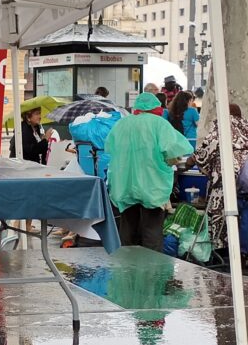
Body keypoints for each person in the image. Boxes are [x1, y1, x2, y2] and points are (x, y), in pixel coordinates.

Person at [104, 92, 193, 251]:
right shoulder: (159, 124)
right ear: (156, 107)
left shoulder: (122, 124)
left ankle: (127, 269)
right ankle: (152, 272)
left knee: (127, 231)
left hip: (125, 185)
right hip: (152, 185)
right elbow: (174, 152)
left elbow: (110, 149)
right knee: (152, 231)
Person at [191, 104, 248, 251]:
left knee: (221, 216)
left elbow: (204, 153)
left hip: (226, 180)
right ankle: (243, 253)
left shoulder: (221, 127)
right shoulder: (246, 126)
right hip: (245, 181)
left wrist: (191, 162)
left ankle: (223, 250)